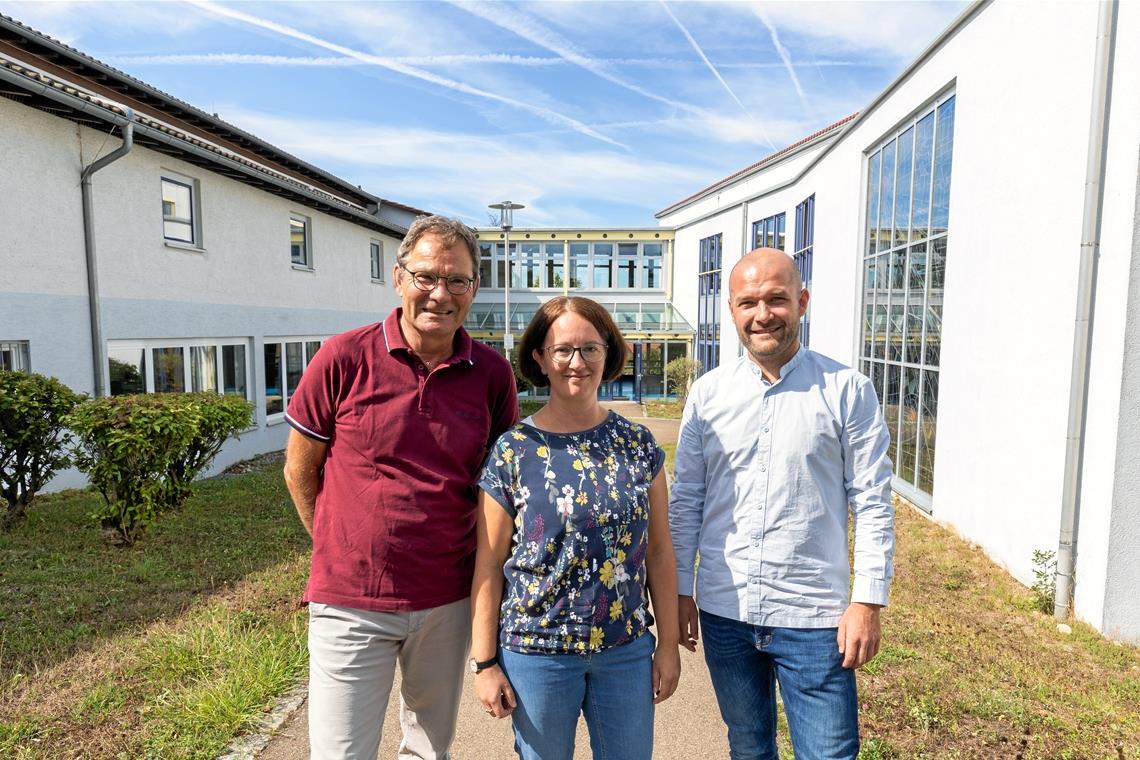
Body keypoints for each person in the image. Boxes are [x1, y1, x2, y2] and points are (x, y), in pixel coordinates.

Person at [282, 215, 518, 760]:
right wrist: (338, 543)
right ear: (398, 278)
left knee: (428, 751)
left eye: (457, 280)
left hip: (446, 597)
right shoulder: (342, 356)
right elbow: (300, 469)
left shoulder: (491, 373)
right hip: (351, 600)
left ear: (474, 289)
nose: (441, 293)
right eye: (427, 277)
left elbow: (499, 485)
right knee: (341, 753)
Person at [670, 247, 894, 760]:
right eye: (748, 302)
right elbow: (687, 500)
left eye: (777, 299)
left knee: (828, 753)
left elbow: (874, 501)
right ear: (732, 310)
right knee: (748, 745)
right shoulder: (707, 395)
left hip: (814, 615)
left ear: (802, 301)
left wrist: (867, 601)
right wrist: (682, 590)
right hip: (726, 609)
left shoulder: (848, 390)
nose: (762, 314)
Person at [470, 296, 680, 760]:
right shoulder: (513, 450)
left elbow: (661, 551)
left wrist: (667, 644)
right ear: (540, 358)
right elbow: (488, 561)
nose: (577, 362)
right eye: (562, 349)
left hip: (623, 649)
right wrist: (484, 663)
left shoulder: (638, 445)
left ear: (608, 354)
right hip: (536, 653)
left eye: (590, 348)